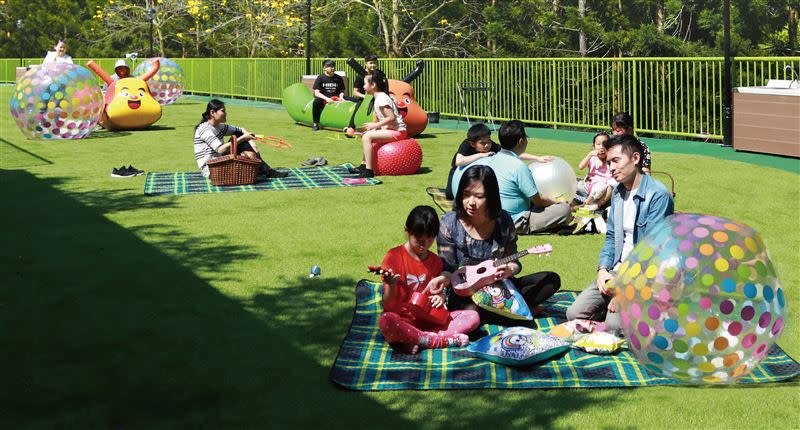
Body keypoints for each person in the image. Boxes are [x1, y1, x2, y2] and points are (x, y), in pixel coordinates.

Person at [566, 134, 674, 335]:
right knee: (574, 314)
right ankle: (623, 312)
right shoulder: (617, 193)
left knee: (615, 327)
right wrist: (602, 269)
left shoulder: (658, 195)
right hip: (616, 272)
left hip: (644, 276)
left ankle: (647, 310)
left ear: (635, 158)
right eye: (608, 163)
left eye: (616, 160)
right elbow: (611, 238)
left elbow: (652, 251)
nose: (611, 168)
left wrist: (625, 290)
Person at [438, 165, 562, 321]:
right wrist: (444, 278)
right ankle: (513, 312)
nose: (471, 202)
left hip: (499, 288)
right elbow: (446, 267)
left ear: (490, 197)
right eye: (466, 195)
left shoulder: (503, 220)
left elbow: (514, 261)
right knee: (472, 310)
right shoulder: (450, 223)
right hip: (464, 294)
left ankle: (502, 313)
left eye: (479, 196)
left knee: (551, 279)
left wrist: (509, 270)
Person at [378, 205, 480, 354]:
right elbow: (388, 305)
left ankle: (418, 339)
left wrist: (440, 297)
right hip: (404, 320)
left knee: (473, 316)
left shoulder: (436, 261)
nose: (424, 245)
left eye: (430, 239)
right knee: (386, 320)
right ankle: (437, 340)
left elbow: (437, 294)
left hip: (430, 321)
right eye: (419, 239)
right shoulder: (393, 257)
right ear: (407, 230)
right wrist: (391, 285)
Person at [450, 120, 572, 234]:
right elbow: (538, 201)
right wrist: (557, 201)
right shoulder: (519, 166)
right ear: (521, 141)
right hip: (511, 221)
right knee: (564, 210)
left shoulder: (488, 158)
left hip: (482, 216)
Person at [445, 123, 554, 199]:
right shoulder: (466, 145)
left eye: (488, 140)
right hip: (457, 173)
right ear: (473, 143)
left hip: (476, 177)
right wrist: (482, 155)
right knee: (450, 195)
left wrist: (537, 158)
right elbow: (459, 161)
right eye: (482, 143)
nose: (487, 145)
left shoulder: (492, 146)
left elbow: (512, 153)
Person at [193, 99, 288, 178]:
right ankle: (264, 169)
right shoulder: (204, 129)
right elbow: (221, 149)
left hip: (219, 161)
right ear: (212, 112)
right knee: (240, 139)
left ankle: (262, 168)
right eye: (223, 111)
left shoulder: (219, 126)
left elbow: (241, 130)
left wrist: (252, 143)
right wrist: (243, 138)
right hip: (210, 169)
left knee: (239, 135)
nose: (226, 113)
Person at [349, 70, 408, 178]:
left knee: (367, 137)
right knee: (367, 134)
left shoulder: (381, 98)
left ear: (373, 85)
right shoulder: (378, 97)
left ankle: (368, 171)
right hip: (391, 130)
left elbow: (391, 117)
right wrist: (372, 126)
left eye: (365, 83)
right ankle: (363, 165)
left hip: (398, 132)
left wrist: (375, 126)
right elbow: (379, 118)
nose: (363, 86)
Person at [576, 132, 614, 210]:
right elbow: (581, 167)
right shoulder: (593, 158)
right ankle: (588, 200)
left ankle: (586, 203)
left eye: (605, 144)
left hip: (605, 189)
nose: (602, 147)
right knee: (577, 185)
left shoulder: (611, 159)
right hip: (591, 186)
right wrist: (590, 154)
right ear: (593, 146)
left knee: (602, 186)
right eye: (598, 144)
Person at [311, 59, 346, 131]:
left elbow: (342, 91)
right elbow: (316, 92)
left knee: (352, 99)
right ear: (324, 68)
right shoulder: (320, 78)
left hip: (336, 97)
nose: (333, 68)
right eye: (330, 66)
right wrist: (326, 98)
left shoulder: (338, 78)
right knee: (316, 102)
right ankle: (315, 123)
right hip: (324, 97)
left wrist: (341, 97)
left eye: (333, 66)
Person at [347, 54, 379, 130]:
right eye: (370, 63)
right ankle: (351, 126)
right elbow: (355, 92)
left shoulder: (378, 75)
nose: (373, 65)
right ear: (365, 64)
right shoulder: (360, 77)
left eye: (374, 63)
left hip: (377, 98)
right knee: (358, 106)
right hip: (363, 99)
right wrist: (366, 97)